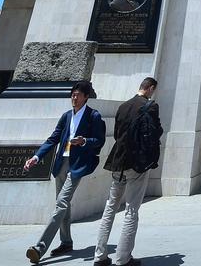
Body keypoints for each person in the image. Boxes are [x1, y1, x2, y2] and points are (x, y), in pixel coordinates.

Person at [23, 81, 106, 264]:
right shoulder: (66, 116)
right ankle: (66, 242)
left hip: (78, 165)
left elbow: (99, 140)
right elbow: (53, 138)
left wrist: (84, 141)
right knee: (64, 206)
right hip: (61, 163)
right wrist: (36, 157)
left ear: (86, 97)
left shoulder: (94, 116)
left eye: (78, 95)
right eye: (72, 95)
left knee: (61, 203)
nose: (74, 98)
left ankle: (40, 247)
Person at [93, 77, 163, 266]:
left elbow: (117, 134)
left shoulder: (123, 106)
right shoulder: (150, 106)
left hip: (118, 162)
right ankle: (123, 259)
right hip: (137, 164)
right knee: (131, 211)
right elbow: (157, 132)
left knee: (110, 208)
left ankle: (99, 256)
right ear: (151, 88)